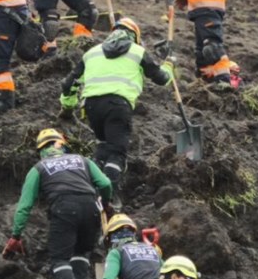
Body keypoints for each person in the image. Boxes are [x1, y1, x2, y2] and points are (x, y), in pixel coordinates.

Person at [2, 128, 113, 279]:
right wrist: (105, 203)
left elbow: (25, 206)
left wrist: (15, 236)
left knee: (60, 258)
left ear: (41, 150)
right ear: (62, 144)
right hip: (90, 207)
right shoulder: (82, 160)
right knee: (81, 252)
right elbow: (105, 183)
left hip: (63, 207)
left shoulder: (39, 167)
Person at [60, 17, 174, 208]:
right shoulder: (138, 52)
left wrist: (68, 106)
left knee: (103, 147)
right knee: (117, 153)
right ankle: (108, 197)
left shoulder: (92, 53)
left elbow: (68, 83)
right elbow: (162, 79)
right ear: (134, 36)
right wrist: (169, 64)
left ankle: (88, 187)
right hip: (117, 106)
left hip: (91, 107)